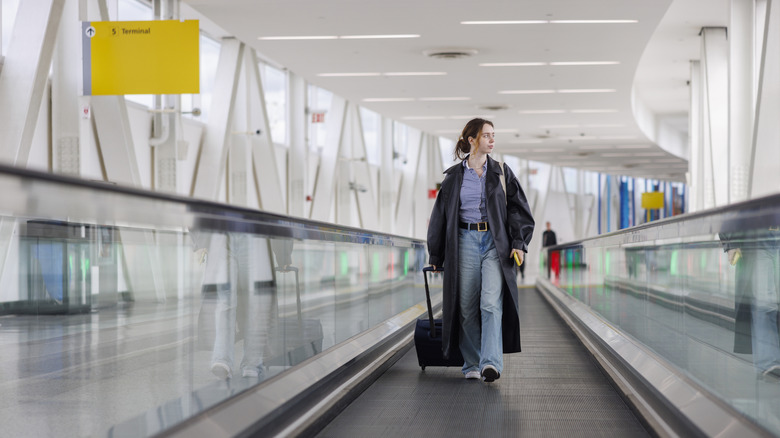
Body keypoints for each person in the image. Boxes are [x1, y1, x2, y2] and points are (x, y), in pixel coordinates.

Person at [427, 118, 534, 382]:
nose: (491, 140)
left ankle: (491, 363)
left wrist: (519, 243)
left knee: (490, 303)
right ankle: (471, 362)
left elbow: (519, 210)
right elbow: (440, 216)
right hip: (463, 242)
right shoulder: (453, 178)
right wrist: (436, 255)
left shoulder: (501, 172)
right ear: (471, 139)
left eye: (493, 135)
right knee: (465, 306)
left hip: (495, 244)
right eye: (486, 135)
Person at [720, 210, 780, 381]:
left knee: (771, 301)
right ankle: (768, 362)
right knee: (766, 301)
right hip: (759, 239)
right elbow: (733, 203)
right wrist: (731, 241)